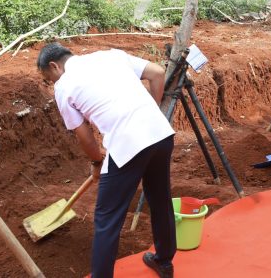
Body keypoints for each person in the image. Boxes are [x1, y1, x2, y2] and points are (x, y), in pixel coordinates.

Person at [37, 43, 176, 278]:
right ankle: (164, 261)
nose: (52, 83)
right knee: (160, 199)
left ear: (54, 66)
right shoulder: (111, 55)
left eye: (49, 78)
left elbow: (85, 137)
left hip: (128, 144)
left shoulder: (64, 87)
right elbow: (157, 73)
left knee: (106, 219)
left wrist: (96, 162)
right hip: (160, 133)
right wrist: (150, 112)